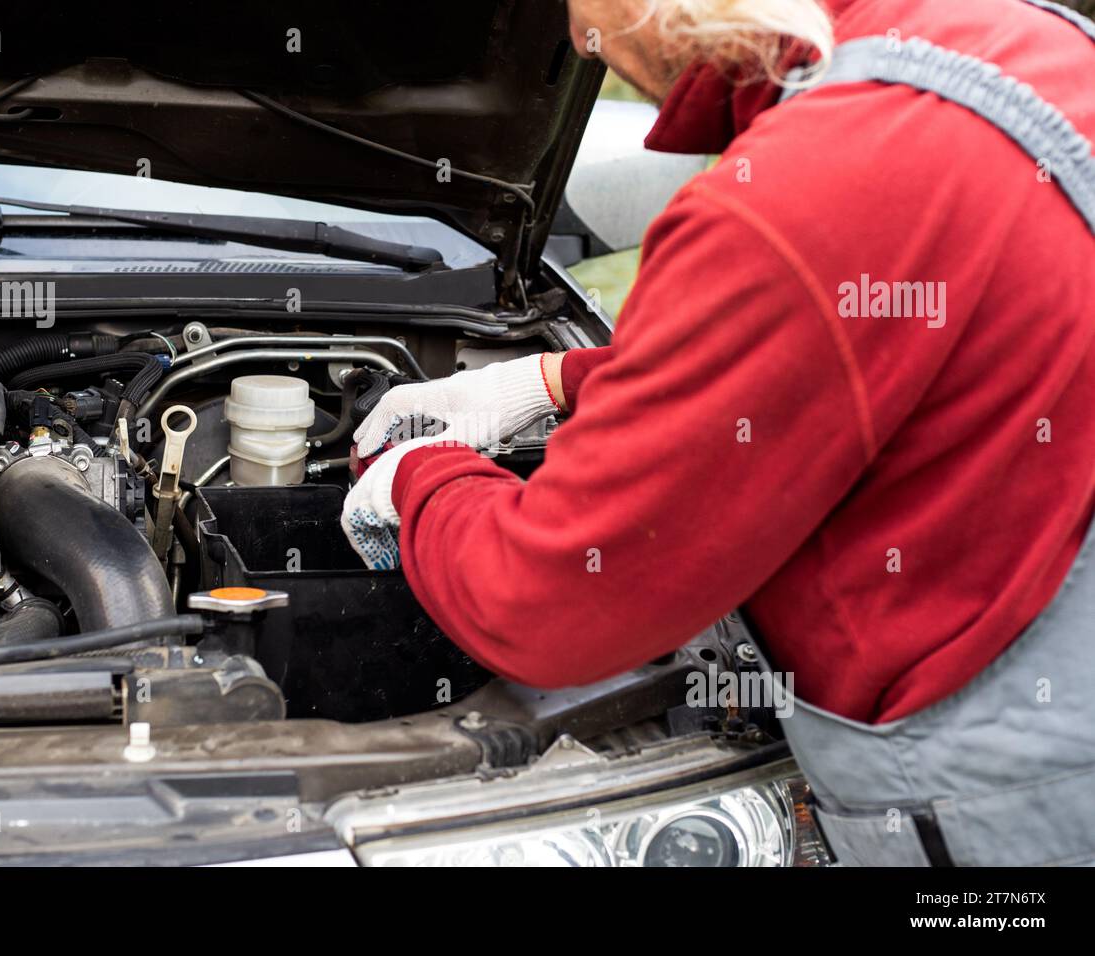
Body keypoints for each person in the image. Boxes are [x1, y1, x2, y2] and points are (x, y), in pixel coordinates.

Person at [342, 0, 1095, 866]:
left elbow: (550, 605)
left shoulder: (807, 187)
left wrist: (420, 478)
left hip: (1014, 821)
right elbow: (866, 349)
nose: (583, 36)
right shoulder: (1024, 50)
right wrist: (552, 380)